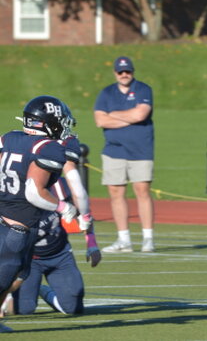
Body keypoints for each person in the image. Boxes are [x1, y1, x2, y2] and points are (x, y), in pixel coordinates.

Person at [0, 96, 79, 332]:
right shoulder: (47, 147)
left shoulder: (9, 138)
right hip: (16, 227)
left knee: (17, 274)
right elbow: (34, 193)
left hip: (11, 220)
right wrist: (64, 207)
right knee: (5, 277)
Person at [3, 177, 101, 316]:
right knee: (24, 309)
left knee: (73, 307)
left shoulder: (58, 185)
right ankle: (13, 298)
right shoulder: (12, 192)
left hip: (59, 254)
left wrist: (92, 244)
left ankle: (44, 291)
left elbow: (83, 214)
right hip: (29, 259)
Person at [94, 56, 155, 253]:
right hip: (114, 150)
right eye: (120, 72)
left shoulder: (143, 89)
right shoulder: (106, 93)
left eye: (127, 71)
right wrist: (129, 116)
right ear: (115, 73)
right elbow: (100, 120)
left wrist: (113, 114)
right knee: (115, 192)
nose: (124, 74)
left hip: (140, 149)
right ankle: (124, 240)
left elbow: (141, 114)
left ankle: (148, 238)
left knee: (142, 191)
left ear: (132, 71)